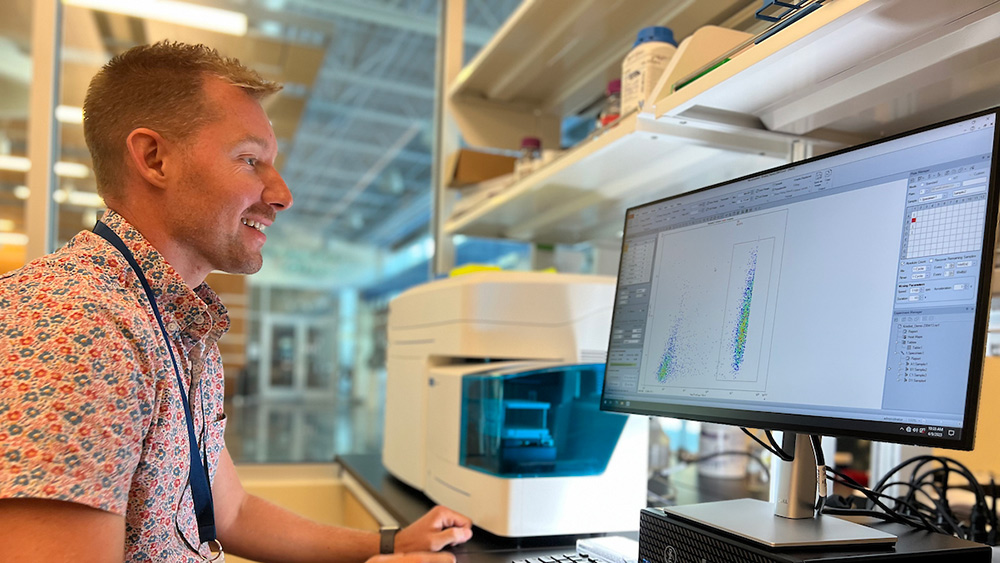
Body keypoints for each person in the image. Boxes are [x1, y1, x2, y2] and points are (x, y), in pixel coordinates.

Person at [0, 41, 472, 562]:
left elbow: (232, 512)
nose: (282, 194)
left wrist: (389, 545)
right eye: (250, 161)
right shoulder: (76, 327)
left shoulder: (174, 322)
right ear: (155, 158)